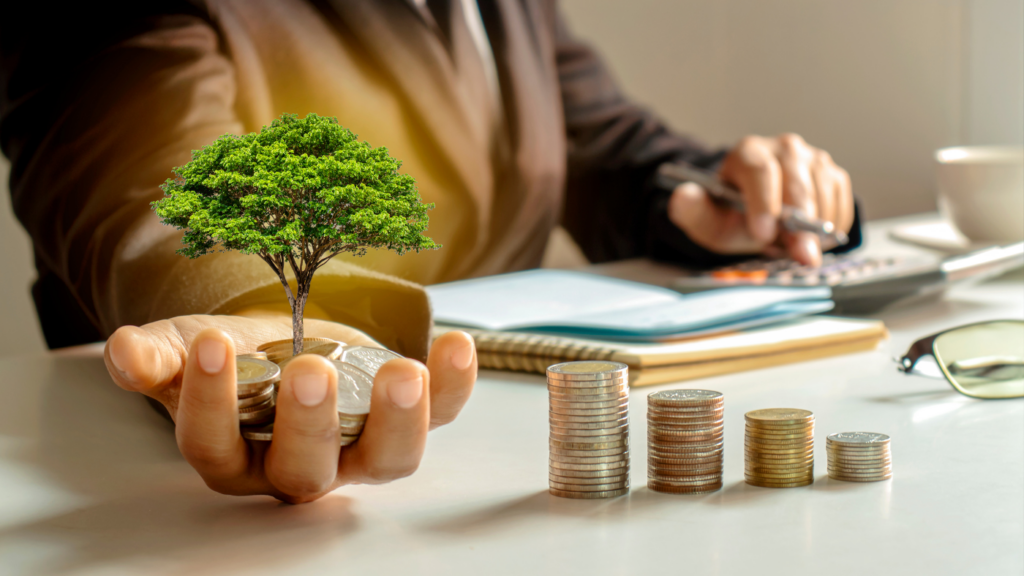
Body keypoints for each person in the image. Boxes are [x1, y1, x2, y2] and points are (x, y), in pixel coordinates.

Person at [0, 0, 856, 503]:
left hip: (497, 464)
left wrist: (705, 196)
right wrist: (259, 304)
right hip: (149, 501)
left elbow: (592, 143)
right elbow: (135, 158)